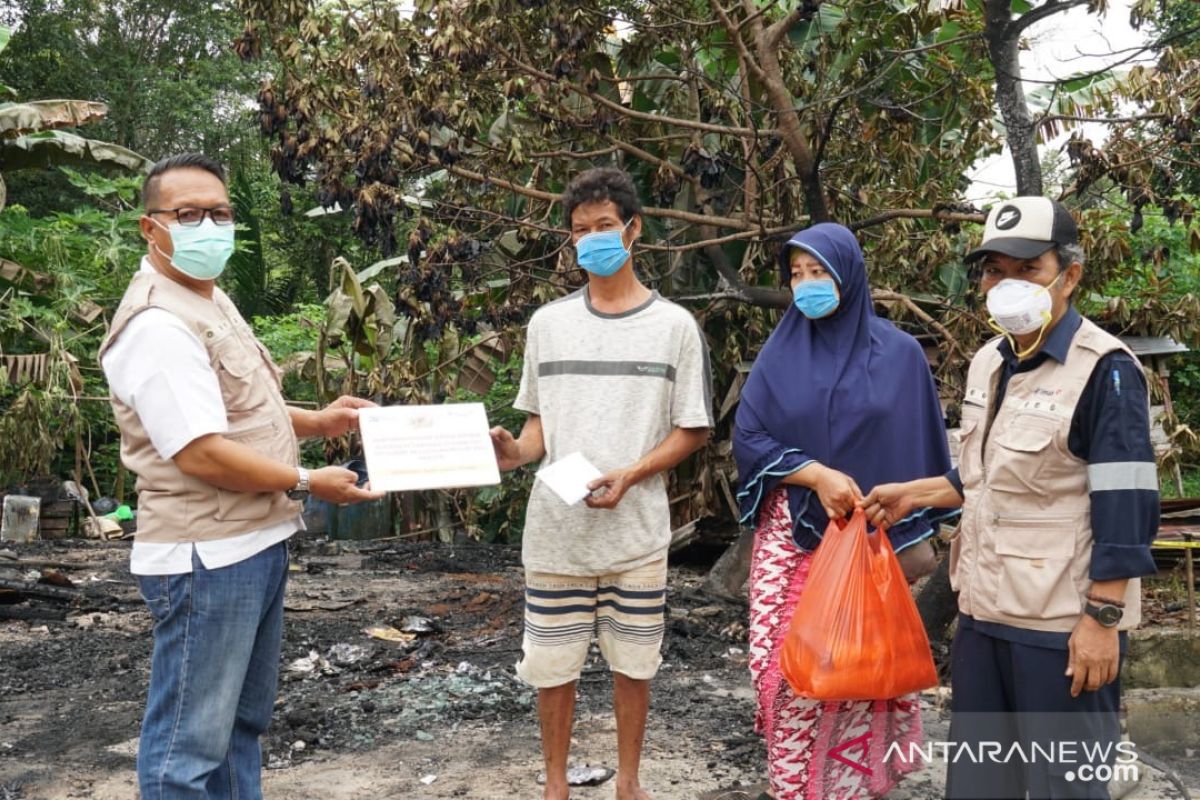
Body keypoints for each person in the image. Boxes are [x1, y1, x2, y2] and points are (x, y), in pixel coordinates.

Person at [99, 153, 383, 799]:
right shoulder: (158, 323)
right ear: (151, 228)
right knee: (189, 745)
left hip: (249, 542)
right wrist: (309, 481)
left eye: (219, 213)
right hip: (207, 553)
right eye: (189, 214)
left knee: (238, 726)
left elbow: (231, 411)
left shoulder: (206, 298)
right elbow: (199, 451)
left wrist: (318, 420)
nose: (208, 226)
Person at [862, 197, 1159, 799]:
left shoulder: (1105, 371)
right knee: (979, 783)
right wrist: (913, 495)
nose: (1007, 285)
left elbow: (1127, 509)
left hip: (1060, 626)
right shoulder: (989, 363)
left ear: (1069, 276)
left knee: (1064, 788)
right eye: (996, 270)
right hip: (984, 616)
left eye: (1028, 269)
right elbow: (989, 476)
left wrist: (1102, 619)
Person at [490, 167, 712, 800]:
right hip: (556, 534)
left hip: (637, 533)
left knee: (633, 664)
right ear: (570, 240)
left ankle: (630, 785)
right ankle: (555, 785)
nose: (593, 240)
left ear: (633, 230)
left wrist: (634, 472)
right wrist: (512, 451)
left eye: (605, 227)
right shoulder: (547, 324)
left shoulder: (673, 327)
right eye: (580, 231)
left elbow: (692, 427)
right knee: (551, 667)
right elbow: (537, 433)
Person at [731, 222, 957, 800]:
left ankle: (856, 787)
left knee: (862, 672)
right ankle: (795, 786)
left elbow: (921, 446)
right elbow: (749, 435)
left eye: (819, 273)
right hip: (793, 540)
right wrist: (815, 474)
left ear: (849, 277)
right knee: (787, 677)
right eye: (796, 274)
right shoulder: (779, 355)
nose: (806, 285)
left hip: (870, 544)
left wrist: (896, 505)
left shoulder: (901, 355)